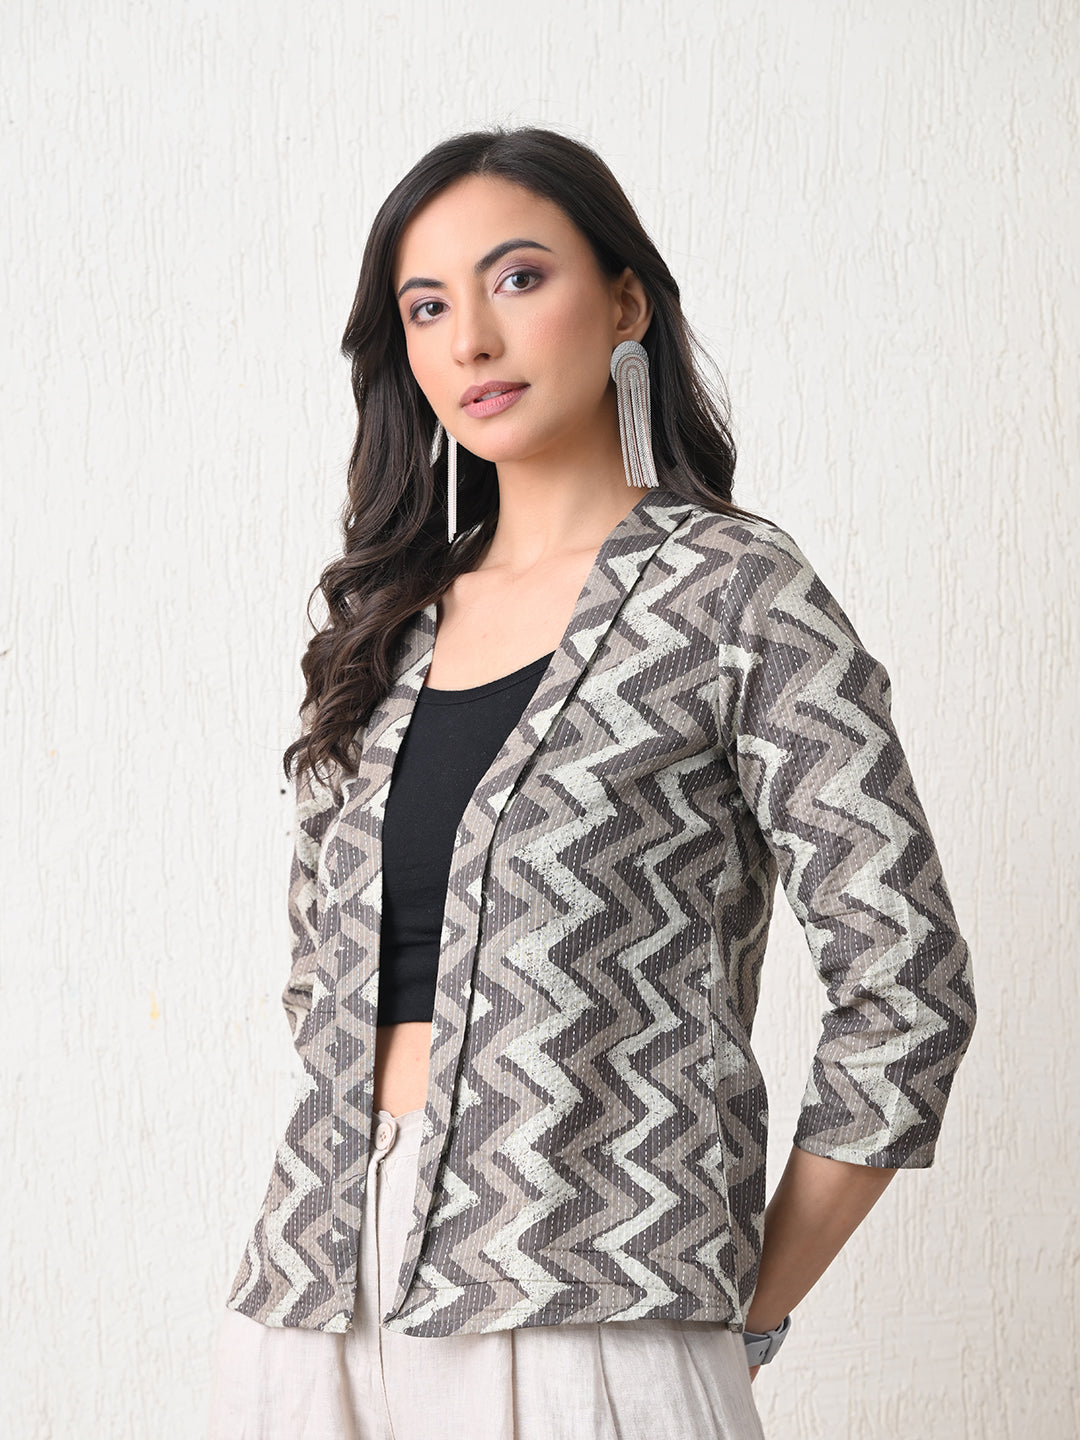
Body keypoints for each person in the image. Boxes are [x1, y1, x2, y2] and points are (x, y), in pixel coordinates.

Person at [206, 126, 977, 1440]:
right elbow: (317, 994)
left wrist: (736, 1304)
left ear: (625, 302)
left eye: (518, 279)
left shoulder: (735, 594)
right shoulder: (381, 629)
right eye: (427, 306)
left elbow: (906, 990)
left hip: (592, 1298)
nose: (471, 341)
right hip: (311, 1303)